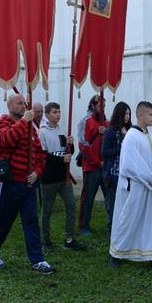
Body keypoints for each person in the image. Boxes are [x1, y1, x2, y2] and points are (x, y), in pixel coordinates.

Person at [0, 94, 55, 274]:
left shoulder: (31, 129)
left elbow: (40, 154)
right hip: (10, 183)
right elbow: (5, 141)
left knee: (32, 223)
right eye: (19, 103)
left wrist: (36, 172)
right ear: (9, 106)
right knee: (2, 221)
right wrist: (24, 121)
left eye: (25, 103)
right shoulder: (3, 123)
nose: (24, 105)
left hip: (28, 185)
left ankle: (37, 260)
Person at [109, 101, 152, 269]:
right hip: (137, 186)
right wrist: (150, 179)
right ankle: (117, 253)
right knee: (129, 219)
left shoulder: (151, 135)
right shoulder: (131, 136)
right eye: (151, 115)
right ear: (140, 115)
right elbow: (130, 165)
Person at [39, 102, 86, 252]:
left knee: (71, 206)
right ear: (47, 115)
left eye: (59, 112)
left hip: (64, 177)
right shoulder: (43, 132)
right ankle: (45, 240)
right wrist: (61, 159)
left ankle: (69, 239)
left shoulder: (63, 130)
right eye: (54, 112)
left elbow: (67, 152)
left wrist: (71, 145)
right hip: (49, 178)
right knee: (47, 210)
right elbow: (44, 155)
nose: (58, 115)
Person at [79, 96, 109, 236]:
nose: (102, 108)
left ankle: (112, 224)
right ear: (92, 105)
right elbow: (83, 145)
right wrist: (97, 162)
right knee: (88, 198)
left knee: (110, 197)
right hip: (92, 167)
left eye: (104, 105)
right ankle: (84, 226)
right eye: (99, 105)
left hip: (106, 167)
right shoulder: (85, 122)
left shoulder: (107, 123)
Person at [101, 102, 131, 234]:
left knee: (127, 204)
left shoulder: (131, 131)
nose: (127, 116)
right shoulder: (111, 132)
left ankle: (125, 229)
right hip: (114, 173)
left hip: (128, 173)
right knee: (114, 204)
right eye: (125, 113)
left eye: (129, 113)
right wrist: (121, 148)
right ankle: (113, 229)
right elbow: (104, 152)